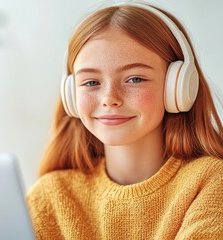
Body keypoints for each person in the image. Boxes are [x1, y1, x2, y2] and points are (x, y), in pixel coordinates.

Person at [26, 2, 223, 239]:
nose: (110, 99)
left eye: (135, 79)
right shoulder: (50, 195)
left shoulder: (211, 182)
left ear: (178, 87)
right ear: (71, 94)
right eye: (90, 82)